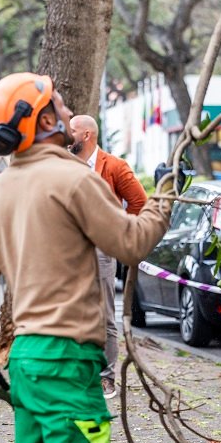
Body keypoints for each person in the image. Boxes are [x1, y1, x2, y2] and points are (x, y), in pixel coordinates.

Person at [0, 72, 175, 443]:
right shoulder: (74, 178)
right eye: (57, 103)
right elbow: (131, 242)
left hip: (25, 360)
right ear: (44, 119)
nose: (64, 109)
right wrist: (164, 197)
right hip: (67, 358)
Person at [69, 114, 147, 400]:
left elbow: (139, 202)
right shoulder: (63, 166)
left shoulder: (112, 166)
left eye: (72, 131)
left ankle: (106, 378)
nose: (67, 135)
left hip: (101, 250)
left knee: (103, 315)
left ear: (87, 135)